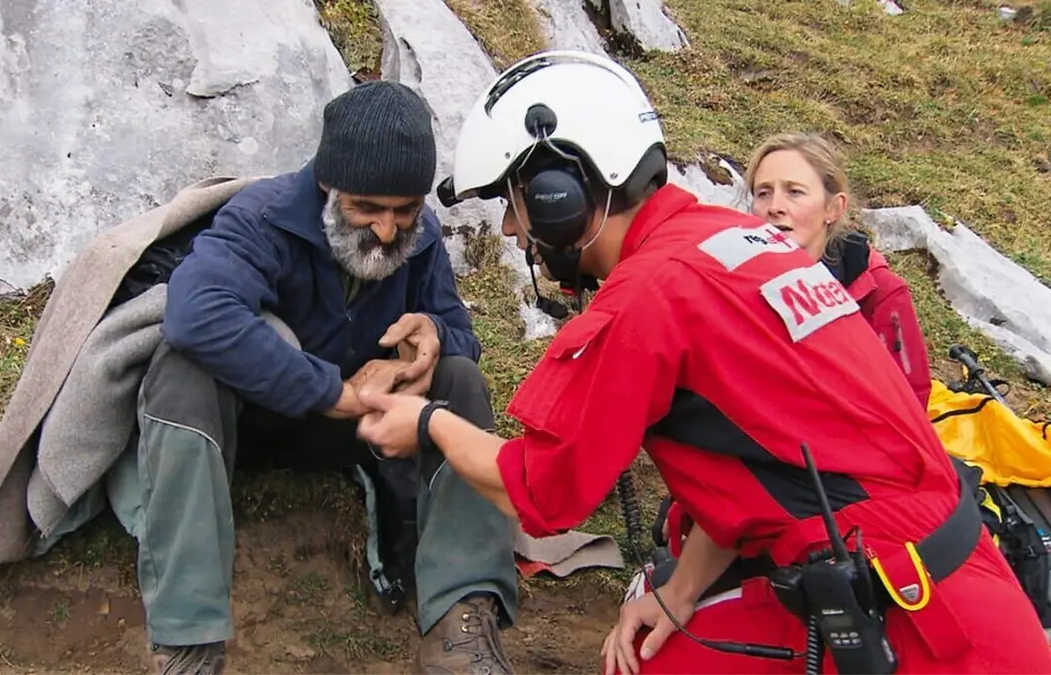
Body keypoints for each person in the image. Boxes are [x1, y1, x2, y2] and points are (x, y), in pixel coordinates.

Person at [351, 50, 1051, 675]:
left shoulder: (654, 290)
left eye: (514, 201)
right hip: (951, 586)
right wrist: (679, 591)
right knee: (662, 653)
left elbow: (542, 489)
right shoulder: (735, 241)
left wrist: (430, 422)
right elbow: (762, 458)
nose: (511, 227)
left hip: (918, 624)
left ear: (560, 194)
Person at [109, 79, 519, 675]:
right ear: (328, 185)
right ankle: (187, 642)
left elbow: (461, 334)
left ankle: (461, 627)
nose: (387, 230)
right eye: (367, 209)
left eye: (404, 211)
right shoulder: (261, 218)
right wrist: (331, 391)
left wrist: (433, 337)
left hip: (363, 433)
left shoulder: (422, 237)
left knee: (459, 381)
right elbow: (195, 313)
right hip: (252, 422)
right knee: (182, 367)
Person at [745, 132, 933, 407]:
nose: (774, 207)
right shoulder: (733, 277)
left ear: (833, 208)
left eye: (794, 192)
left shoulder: (879, 294)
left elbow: (909, 405)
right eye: (763, 193)